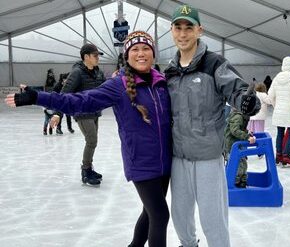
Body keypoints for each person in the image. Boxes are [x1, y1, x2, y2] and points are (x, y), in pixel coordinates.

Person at [6, 31, 172, 247]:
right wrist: (38, 97)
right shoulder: (118, 86)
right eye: (135, 49)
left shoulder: (162, 83)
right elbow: (81, 101)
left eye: (146, 48)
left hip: (166, 161)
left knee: (150, 213)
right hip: (141, 161)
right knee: (160, 215)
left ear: (153, 53)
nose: (141, 54)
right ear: (127, 55)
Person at [164, 4, 260, 247]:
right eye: (178, 27)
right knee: (180, 214)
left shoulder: (214, 64)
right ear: (172, 30)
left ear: (199, 31)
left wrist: (247, 102)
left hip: (207, 156)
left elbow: (236, 90)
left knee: (213, 217)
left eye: (189, 28)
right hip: (178, 156)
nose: (183, 34)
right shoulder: (170, 71)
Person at [61, 43, 106, 186]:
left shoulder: (98, 72)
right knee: (91, 140)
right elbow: (64, 93)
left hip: (95, 112)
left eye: (98, 55)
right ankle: (85, 170)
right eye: (95, 55)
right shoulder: (77, 73)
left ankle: (89, 167)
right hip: (82, 112)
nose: (98, 58)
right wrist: (57, 113)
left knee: (93, 141)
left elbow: (106, 88)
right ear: (86, 57)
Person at [224, 108, 256, 188]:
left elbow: (240, 128)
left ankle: (242, 180)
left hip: (237, 144)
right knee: (238, 163)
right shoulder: (238, 117)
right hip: (232, 145)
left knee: (242, 162)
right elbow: (234, 130)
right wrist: (247, 137)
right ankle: (236, 182)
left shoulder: (243, 116)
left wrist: (247, 132)